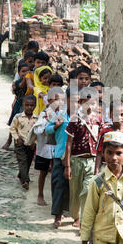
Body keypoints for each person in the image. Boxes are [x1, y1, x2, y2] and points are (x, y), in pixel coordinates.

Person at [80, 132, 123, 244]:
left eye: (118, 153)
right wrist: (84, 241)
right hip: (102, 237)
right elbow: (89, 211)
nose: (114, 158)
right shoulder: (97, 181)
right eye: (109, 153)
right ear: (103, 153)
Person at [64, 89, 102, 228]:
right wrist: (67, 165)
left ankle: (83, 220)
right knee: (75, 191)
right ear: (80, 103)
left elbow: (100, 141)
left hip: (91, 160)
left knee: (86, 190)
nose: (90, 106)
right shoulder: (75, 119)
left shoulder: (98, 120)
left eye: (93, 103)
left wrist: (98, 164)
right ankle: (75, 215)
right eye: (86, 103)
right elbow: (69, 143)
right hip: (76, 160)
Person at [46, 87, 79, 228]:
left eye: (78, 101)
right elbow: (47, 129)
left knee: (75, 187)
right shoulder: (61, 115)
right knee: (58, 184)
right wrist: (55, 126)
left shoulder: (82, 118)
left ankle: (77, 217)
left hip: (76, 157)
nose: (75, 104)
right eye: (72, 100)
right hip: (60, 155)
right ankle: (58, 215)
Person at [33, 84, 64, 206]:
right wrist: (49, 124)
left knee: (57, 174)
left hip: (57, 149)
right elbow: (37, 130)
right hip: (45, 149)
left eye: (62, 99)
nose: (60, 102)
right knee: (43, 172)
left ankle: (56, 198)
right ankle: (40, 194)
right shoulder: (44, 114)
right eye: (57, 99)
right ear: (50, 100)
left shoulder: (63, 114)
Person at [94, 101, 123, 175]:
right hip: (106, 166)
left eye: (122, 115)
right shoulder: (104, 132)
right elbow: (99, 153)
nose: (119, 118)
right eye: (115, 115)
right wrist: (96, 171)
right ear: (110, 115)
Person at [9, 95, 38, 190]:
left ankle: (21, 175)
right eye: (27, 105)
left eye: (32, 105)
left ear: (35, 106)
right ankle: (25, 181)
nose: (29, 107)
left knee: (28, 161)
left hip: (31, 144)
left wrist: (35, 142)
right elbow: (12, 128)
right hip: (20, 143)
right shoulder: (18, 117)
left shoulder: (37, 119)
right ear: (23, 105)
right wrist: (17, 138)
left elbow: (38, 132)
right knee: (22, 161)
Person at [3, 63, 30, 150]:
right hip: (19, 105)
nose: (25, 73)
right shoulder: (18, 83)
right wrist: (26, 79)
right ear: (18, 73)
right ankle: (9, 140)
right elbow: (19, 87)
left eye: (27, 72)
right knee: (14, 123)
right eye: (23, 71)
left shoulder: (31, 82)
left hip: (28, 106)